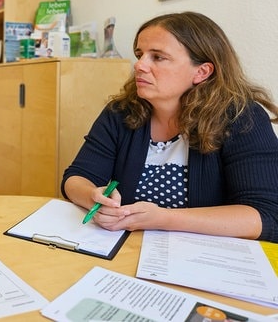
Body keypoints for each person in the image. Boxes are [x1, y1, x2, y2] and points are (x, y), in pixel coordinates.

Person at [62, 12, 278, 243]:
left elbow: (266, 216)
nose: (140, 65)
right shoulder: (120, 112)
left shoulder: (242, 118)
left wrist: (163, 218)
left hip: (204, 258)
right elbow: (77, 177)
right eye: (140, 54)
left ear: (201, 72)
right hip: (127, 248)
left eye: (157, 57)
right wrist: (93, 197)